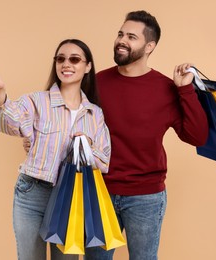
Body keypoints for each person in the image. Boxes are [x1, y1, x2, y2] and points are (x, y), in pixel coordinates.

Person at [83, 10, 209, 260]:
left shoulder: (166, 88)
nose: (122, 40)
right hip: (99, 192)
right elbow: (73, 123)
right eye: (120, 34)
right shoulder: (97, 82)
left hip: (146, 197)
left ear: (149, 46)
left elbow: (197, 136)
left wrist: (185, 90)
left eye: (131, 37)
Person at [0, 39, 111, 260]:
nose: (66, 64)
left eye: (74, 59)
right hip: (32, 193)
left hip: (71, 197)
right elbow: (10, 123)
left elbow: (104, 163)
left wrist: (87, 146)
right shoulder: (37, 101)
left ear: (88, 66)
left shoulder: (95, 114)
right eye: (60, 59)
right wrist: (1, 94)